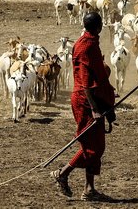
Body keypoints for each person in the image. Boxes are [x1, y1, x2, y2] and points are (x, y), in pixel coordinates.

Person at [51, 12, 115, 201]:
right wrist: (95, 108)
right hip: (86, 102)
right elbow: (86, 84)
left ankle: (89, 189)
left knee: (97, 145)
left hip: (93, 99)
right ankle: (63, 173)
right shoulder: (87, 47)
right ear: (99, 27)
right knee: (92, 148)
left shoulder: (85, 42)